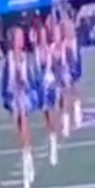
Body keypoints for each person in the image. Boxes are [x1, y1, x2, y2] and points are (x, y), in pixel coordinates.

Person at [1, 26, 38, 188]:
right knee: (19, 131)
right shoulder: (9, 58)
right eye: (18, 37)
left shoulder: (25, 57)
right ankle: (27, 155)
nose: (21, 40)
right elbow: (5, 79)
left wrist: (26, 85)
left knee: (24, 124)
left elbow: (30, 78)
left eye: (22, 37)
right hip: (12, 96)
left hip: (23, 95)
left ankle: (27, 164)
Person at [35, 20, 62, 167]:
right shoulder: (38, 51)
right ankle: (51, 134)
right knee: (45, 111)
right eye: (41, 36)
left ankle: (54, 140)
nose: (43, 38)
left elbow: (55, 62)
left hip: (50, 81)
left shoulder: (50, 49)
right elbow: (37, 66)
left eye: (45, 35)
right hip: (41, 83)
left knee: (52, 109)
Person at [60, 16, 83, 134]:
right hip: (65, 72)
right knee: (66, 97)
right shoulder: (63, 44)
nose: (71, 30)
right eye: (68, 28)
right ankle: (66, 125)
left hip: (73, 71)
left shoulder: (75, 42)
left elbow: (77, 58)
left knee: (75, 93)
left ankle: (78, 118)